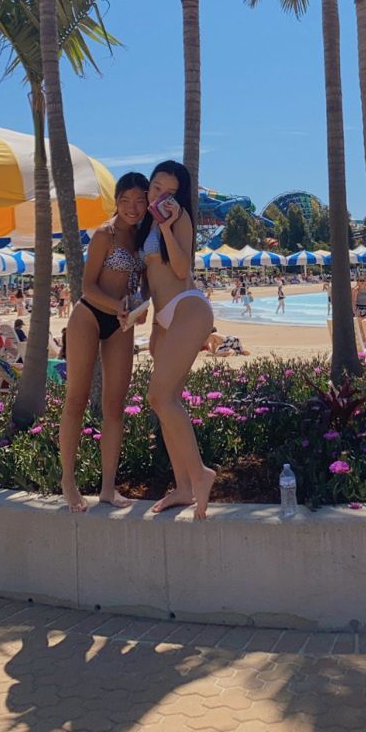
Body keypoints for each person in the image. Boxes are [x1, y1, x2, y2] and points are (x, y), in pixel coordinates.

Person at [59, 172, 149, 513]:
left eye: (140, 200)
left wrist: (140, 307)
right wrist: (118, 307)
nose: (132, 207)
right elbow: (87, 287)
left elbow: (142, 285)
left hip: (122, 324)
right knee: (76, 399)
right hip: (90, 316)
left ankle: (109, 488)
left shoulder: (143, 239)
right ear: (117, 200)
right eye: (126, 200)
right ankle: (68, 480)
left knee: (115, 405)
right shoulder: (104, 234)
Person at [140, 160, 216, 519]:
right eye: (156, 188)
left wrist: (167, 225)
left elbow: (182, 270)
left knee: (158, 396)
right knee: (166, 403)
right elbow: (150, 284)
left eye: (169, 192)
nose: (160, 196)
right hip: (165, 319)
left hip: (188, 308)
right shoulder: (141, 227)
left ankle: (200, 475)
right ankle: (183, 486)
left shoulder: (179, 217)